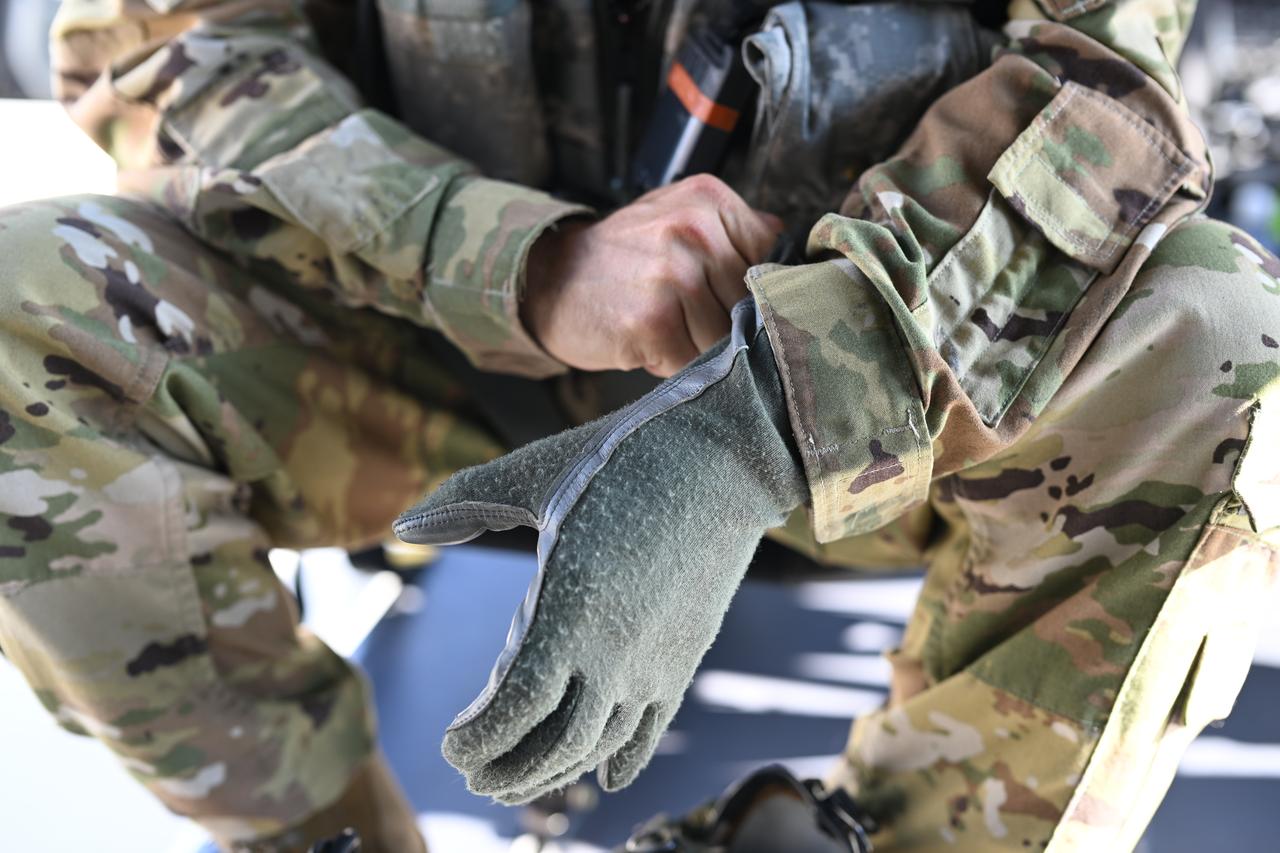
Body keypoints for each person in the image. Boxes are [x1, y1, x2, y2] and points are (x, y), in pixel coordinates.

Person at [0, 0, 1275, 851]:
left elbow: (1099, 95)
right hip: (429, 344)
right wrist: (511, 259)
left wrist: (760, 420)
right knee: (17, 322)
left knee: (1209, 331)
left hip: (890, 411)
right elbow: (169, 48)